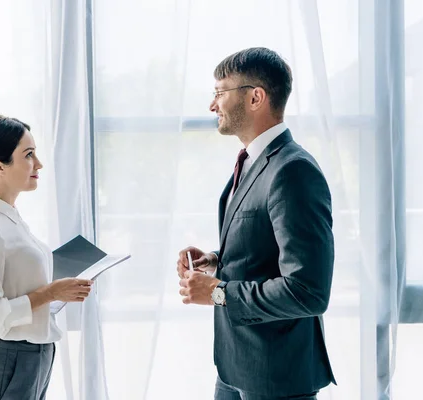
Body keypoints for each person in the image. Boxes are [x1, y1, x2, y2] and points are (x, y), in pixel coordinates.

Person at [176, 48, 336, 400]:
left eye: (220, 92)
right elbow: (266, 245)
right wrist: (218, 259)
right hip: (236, 366)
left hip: (275, 377)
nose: (212, 105)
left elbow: (308, 290)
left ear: (255, 97)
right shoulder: (254, 161)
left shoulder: (294, 171)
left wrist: (217, 292)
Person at [0, 115, 93, 399]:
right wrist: (50, 292)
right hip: (10, 361)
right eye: (28, 155)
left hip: (34, 358)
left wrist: (54, 290)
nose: (38, 164)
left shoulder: (10, 218)